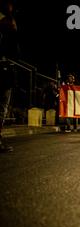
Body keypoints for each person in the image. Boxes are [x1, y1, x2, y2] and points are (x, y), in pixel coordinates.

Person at [0, 0, 18, 152]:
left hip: (6, 70)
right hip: (3, 70)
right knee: (2, 107)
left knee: (3, 107)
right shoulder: (7, 22)